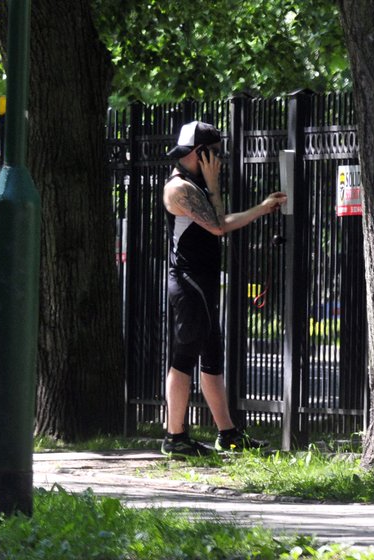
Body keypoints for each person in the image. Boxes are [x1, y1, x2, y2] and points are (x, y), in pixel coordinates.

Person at [161, 120, 286, 458]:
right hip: (188, 283)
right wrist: (218, 187)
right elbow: (217, 226)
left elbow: (219, 223)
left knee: (212, 357)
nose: (218, 159)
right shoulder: (179, 189)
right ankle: (175, 437)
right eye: (214, 153)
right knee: (184, 355)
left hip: (203, 282)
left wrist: (258, 206)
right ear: (198, 153)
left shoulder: (196, 186)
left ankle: (228, 433)